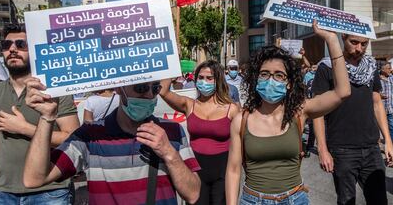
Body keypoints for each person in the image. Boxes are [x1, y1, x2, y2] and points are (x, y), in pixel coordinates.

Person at [226, 20, 351, 205]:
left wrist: (331, 39)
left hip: (295, 199)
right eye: (264, 74)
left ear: (289, 83)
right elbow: (233, 170)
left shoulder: (299, 112)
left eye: (279, 75)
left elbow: (342, 92)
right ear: (255, 78)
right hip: (253, 201)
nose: (271, 80)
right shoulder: (241, 120)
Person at [23, 79, 201, 205]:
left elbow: (192, 194)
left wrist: (169, 153)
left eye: (154, 88)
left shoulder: (172, 131)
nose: (148, 95)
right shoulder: (91, 134)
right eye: (140, 88)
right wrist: (46, 118)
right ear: (119, 88)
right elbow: (34, 179)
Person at [0, 23, 79, 204]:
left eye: (21, 44)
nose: (13, 49)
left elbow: (72, 139)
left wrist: (24, 128)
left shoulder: (56, 89)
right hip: (2, 192)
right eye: (6, 45)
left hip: (50, 191)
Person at [312, 33, 393, 204]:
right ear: (343, 38)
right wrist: (322, 149)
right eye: (354, 42)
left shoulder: (370, 67)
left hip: (372, 148)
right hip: (342, 150)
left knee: (379, 200)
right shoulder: (327, 67)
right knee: (346, 200)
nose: (359, 48)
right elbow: (317, 110)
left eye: (364, 44)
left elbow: (377, 103)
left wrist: (388, 140)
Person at [160, 60, 239, 205]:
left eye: (210, 78)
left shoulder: (232, 109)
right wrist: (169, 64)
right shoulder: (189, 104)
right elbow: (163, 91)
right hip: (195, 170)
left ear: (219, 80)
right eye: (200, 78)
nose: (204, 82)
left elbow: (241, 146)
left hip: (222, 171)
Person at [380, 62, 393, 141]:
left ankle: (390, 144)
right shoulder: (377, 79)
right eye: (388, 68)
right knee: (382, 128)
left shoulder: (391, 77)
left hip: (390, 108)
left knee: (391, 127)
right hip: (381, 109)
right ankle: (386, 142)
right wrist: (379, 95)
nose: (390, 70)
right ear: (383, 69)